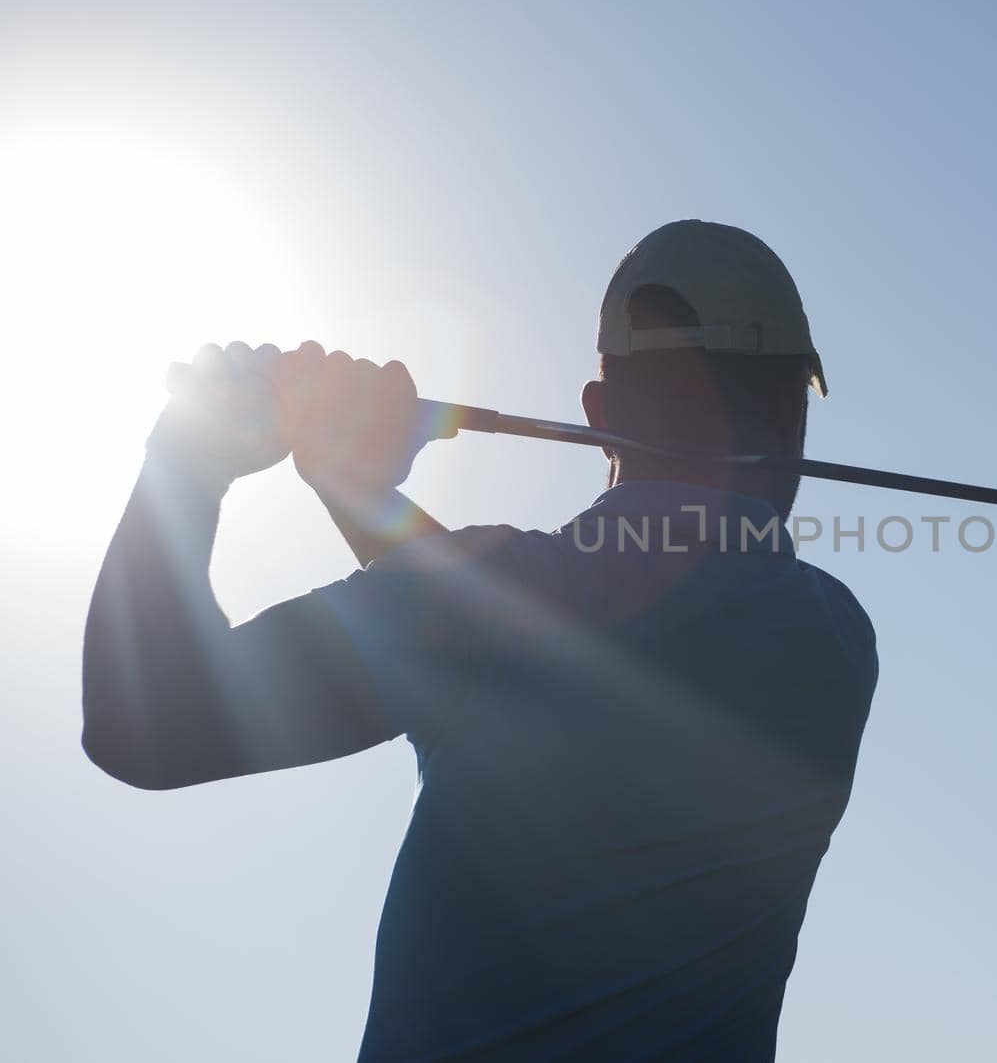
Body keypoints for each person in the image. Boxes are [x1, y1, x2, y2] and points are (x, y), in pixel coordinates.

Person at [82, 220, 878, 1061]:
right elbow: (510, 635)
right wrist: (354, 486)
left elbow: (144, 727)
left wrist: (188, 457)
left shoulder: (489, 605)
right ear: (793, 414)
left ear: (599, 414)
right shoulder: (834, 639)